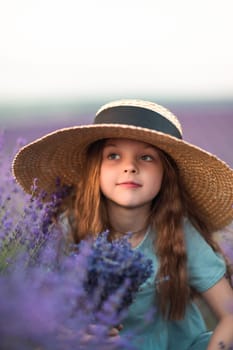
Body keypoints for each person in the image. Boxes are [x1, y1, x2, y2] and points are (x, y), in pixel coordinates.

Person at [12, 99, 233, 350]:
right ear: (96, 168)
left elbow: (230, 315)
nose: (129, 167)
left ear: (166, 175)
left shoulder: (178, 231)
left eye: (146, 157)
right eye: (113, 156)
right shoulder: (69, 229)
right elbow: (39, 314)